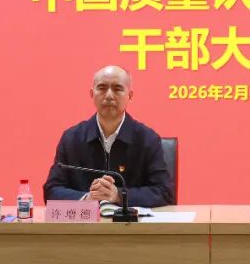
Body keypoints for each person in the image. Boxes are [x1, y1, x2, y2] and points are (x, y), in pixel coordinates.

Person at [43, 65, 173, 207]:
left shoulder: (147, 139)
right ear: (92, 94)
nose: (109, 95)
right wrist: (87, 198)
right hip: (86, 221)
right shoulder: (72, 139)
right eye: (102, 88)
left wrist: (118, 195)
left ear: (130, 95)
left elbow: (165, 192)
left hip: (132, 221)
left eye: (117, 89)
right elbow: (52, 190)